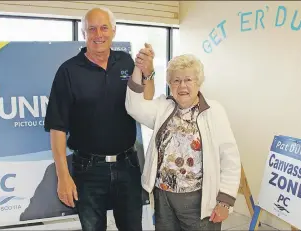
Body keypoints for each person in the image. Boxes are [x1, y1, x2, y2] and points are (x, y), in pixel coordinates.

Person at [44, 7, 155, 231]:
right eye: (92, 29)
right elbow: (57, 128)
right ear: (84, 33)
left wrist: (148, 72)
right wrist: (63, 176)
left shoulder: (125, 62)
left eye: (104, 28)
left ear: (113, 31)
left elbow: (147, 98)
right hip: (88, 170)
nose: (98, 34)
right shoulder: (68, 71)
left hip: (128, 165)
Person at [125, 54, 241, 230]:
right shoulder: (163, 107)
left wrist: (225, 201)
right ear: (170, 84)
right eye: (176, 80)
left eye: (188, 79)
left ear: (198, 82)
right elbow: (134, 107)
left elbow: (230, 158)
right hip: (163, 196)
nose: (182, 86)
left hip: (198, 199)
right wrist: (139, 68)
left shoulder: (214, 111)